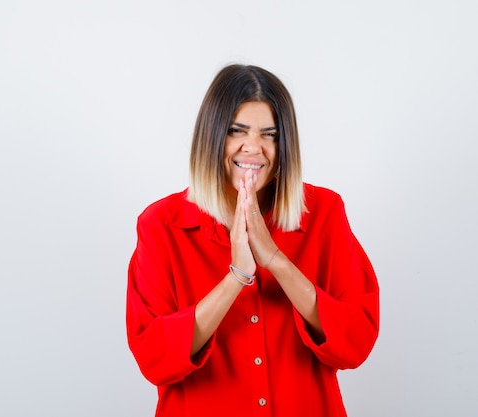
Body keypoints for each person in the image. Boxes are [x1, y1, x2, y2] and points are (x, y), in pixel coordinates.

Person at [126, 64, 379, 417]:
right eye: (237, 131)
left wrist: (275, 260)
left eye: (270, 134)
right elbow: (154, 359)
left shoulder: (324, 213)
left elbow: (357, 341)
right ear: (211, 138)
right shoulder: (160, 226)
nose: (254, 147)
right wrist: (236, 277)